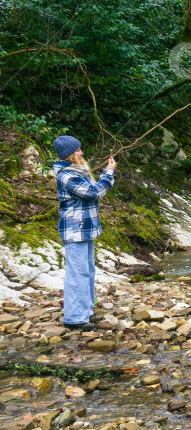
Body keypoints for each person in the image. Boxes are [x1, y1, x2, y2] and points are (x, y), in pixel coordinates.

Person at [52, 135, 117, 331]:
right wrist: (109, 174)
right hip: (75, 230)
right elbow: (93, 193)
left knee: (87, 270)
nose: (81, 152)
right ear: (69, 154)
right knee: (77, 273)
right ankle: (74, 318)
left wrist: (106, 173)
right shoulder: (66, 175)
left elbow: (92, 189)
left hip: (86, 229)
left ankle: (86, 312)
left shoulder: (77, 171)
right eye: (78, 150)